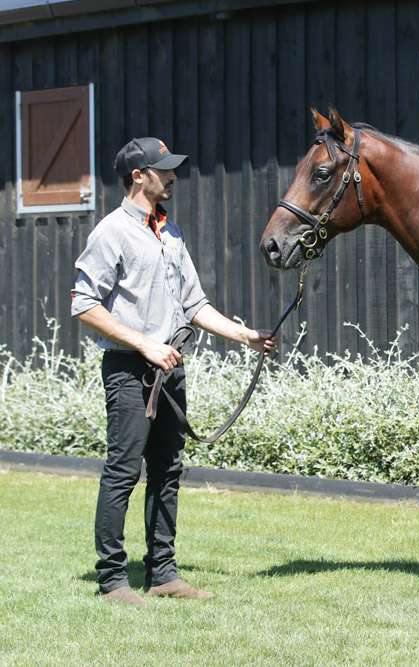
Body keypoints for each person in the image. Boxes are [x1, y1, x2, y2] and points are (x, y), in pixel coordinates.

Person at [71, 137, 278, 607]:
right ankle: (112, 581)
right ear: (137, 176)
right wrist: (145, 343)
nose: (172, 176)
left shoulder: (171, 232)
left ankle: (163, 574)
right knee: (123, 472)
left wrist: (246, 336)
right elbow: (83, 304)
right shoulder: (111, 232)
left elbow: (194, 304)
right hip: (130, 369)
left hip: (170, 370)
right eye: (162, 169)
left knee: (167, 471)